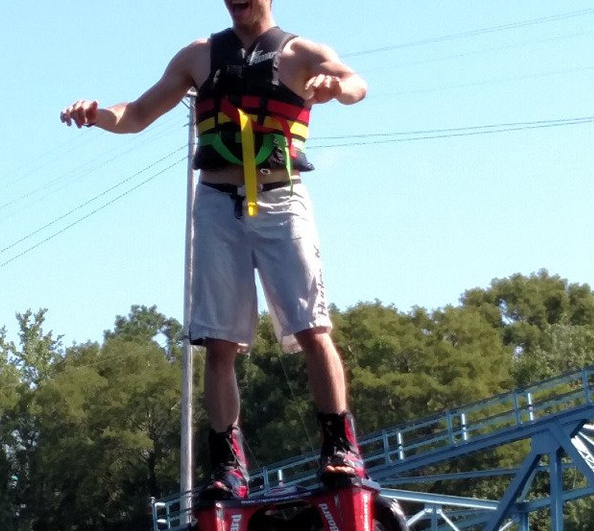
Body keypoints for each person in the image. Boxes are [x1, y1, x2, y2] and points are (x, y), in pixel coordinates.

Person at [61, 0, 369, 501]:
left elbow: (355, 82)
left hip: (281, 198)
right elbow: (136, 114)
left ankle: (340, 448)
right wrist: (97, 115)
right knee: (218, 342)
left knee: (312, 326)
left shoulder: (300, 52)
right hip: (216, 202)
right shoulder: (199, 56)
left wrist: (339, 88)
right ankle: (228, 464)